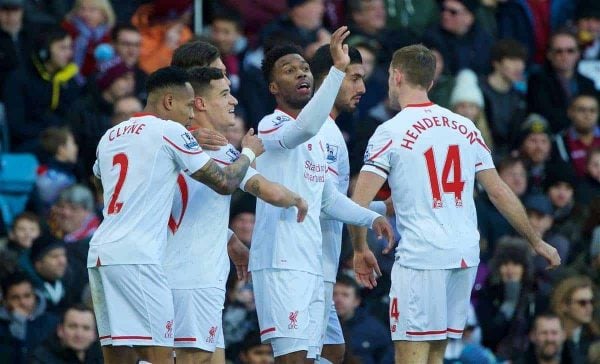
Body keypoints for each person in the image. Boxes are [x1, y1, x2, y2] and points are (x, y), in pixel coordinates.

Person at [349, 44, 560, 364]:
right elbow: (499, 191)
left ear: (396, 76)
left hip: (422, 257)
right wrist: (536, 240)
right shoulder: (465, 127)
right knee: (437, 354)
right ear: (431, 83)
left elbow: (359, 201)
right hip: (463, 257)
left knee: (410, 354)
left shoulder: (389, 131)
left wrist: (359, 249)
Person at [87, 66, 263, 364]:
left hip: (101, 253)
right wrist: (248, 153)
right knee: (162, 356)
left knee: (118, 356)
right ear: (169, 102)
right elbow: (225, 183)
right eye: (186, 107)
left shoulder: (110, 135)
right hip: (139, 255)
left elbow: (98, 178)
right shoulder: (170, 130)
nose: (191, 116)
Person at [251, 27, 394, 362]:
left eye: (303, 67)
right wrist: (337, 71)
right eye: (289, 70)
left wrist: (375, 214)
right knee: (296, 357)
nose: (300, 72)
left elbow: (327, 200)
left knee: (329, 351)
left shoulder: (319, 137)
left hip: (312, 261)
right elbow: (303, 128)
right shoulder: (272, 125)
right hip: (281, 260)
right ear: (274, 87)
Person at [163, 66, 308, 364]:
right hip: (192, 278)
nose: (234, 102)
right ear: (200, 103)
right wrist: (299, 199)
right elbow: (270, 192)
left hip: (185, 274)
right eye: (225, 94)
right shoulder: (218, 151)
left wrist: (229, 239)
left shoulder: (172, 143)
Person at [333, 275, 394, 364]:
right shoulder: (320, 327)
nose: (338, 300)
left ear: (356, 301)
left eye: (345, 295)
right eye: (334, 294)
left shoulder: (374, 330)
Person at [0, 273, 59, 363]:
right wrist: (19, 324)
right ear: (5, 301)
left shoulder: (52, 322)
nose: (22, 302)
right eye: (15, 298)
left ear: (35, 296)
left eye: (27, 296)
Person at [28, 303, 103, 363]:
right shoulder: (41, 359)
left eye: (86, 328)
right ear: (60, 330)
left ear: (94, 334)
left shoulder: (103, 359)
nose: (79, 334)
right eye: (73, 326)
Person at [550, 276, 599, 363]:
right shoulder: (549, 336)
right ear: (564, 305)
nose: (589, 308)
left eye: (591, 302)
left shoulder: (594, 340)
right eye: (582, 303)